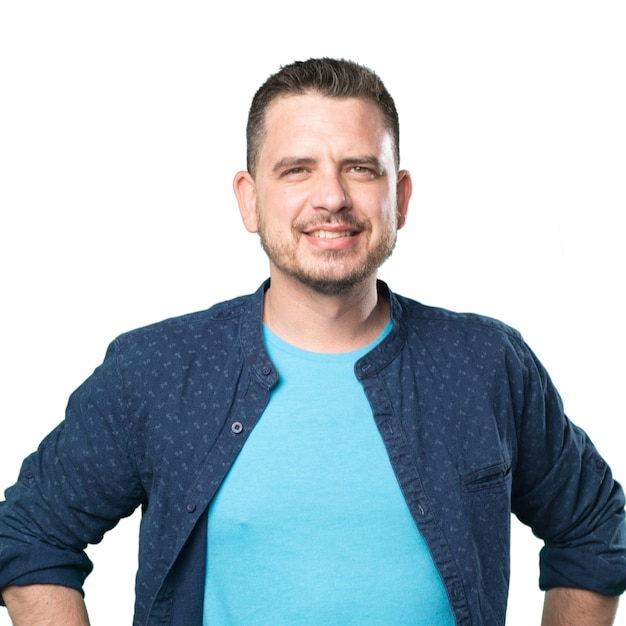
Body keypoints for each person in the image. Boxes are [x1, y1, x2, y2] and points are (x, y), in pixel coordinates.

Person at [0, 57, 624, 626]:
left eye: (360, 168)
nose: (332, 198)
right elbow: (30, 534)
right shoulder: (158, 369)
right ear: (250, 200)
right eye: (297, 170)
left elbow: (595, 527)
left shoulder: (484, 364)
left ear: (399, 198)